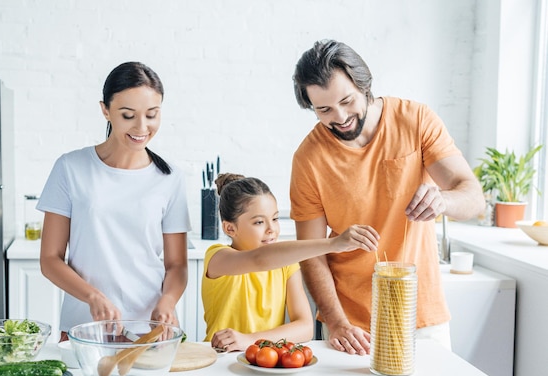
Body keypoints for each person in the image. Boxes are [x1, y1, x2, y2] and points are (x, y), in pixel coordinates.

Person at [290, 40, 485, 355]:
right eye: (323, 109)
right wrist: (337, 322)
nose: (339, 117)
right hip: (350, 326)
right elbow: (311, 253)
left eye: (347, 101)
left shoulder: (415, 120)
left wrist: (443, 201)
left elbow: (474, 198)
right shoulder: (308, 158)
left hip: (421, 315)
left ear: (364, 86)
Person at [37, 62, 191, 341]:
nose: (142, 127)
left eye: (152, 115)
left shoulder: (170, 178)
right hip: (84, 326)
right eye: (128, 115)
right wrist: (92, 297)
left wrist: (167, 301)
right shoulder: (70, 168)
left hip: (152, 329)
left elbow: (177, 265)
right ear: (105, 110)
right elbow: (50, 259)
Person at [202, 173, 379, 352]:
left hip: (264, 360)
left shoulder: (287, 264)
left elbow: (305, 328)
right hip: (219, 358)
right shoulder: (217, 257)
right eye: (259, 222)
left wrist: (249, 340)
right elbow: (259, 259)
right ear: (230, 228)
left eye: (275, 219)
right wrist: (332, 244)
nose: (271, 229)